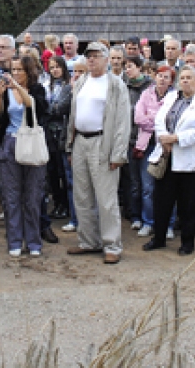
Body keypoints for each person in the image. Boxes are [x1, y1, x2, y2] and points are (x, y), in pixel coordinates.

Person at [66, 42, 132, 264]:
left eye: (96, 55)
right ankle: (88, 241)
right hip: (80, 141)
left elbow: (123, 121)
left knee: (106, 198)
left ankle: (112, 245)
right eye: (89, 56)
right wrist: (70, 145)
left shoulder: (115, 85)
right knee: (82, 196)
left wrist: (118, 153)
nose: (92, 59)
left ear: (106, 59)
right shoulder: (81, 81)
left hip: (103, 143)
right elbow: (73, 116)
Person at [142, 66, 195, 256]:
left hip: (190, 160)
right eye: (182, 78)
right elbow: (159, 119)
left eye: (189, 78)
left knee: (189, 204)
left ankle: (187, 242)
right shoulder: (171, 97)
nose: (185, 81)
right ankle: (159, 238)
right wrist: (164, 138)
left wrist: (175, 139)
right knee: (162, 200)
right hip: (167, 156)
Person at [0, 55, 48, 257]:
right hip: (9, 143)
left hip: (31, 143)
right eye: (13, 70)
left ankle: (33, 242)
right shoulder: (7, 91)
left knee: (33, 196)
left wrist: (17, 87)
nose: (15, 74)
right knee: (11, 196)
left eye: (19, 70)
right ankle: (14, 241)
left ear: (28, 71)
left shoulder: (37, 90)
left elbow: (36, 108)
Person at [134, 65, 176, 240]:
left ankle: (168, 225)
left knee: (168, 189)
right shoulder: (146, 94)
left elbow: (172, 122)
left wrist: (151, 117)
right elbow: (138, 118)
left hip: (166, 147)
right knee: (147, 188)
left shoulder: (176, 97)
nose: (162, 79)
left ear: (171, 81)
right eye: (160, 76)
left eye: (166, 77)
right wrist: (158, 120)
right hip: (147, 146)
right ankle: (148, 222)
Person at [123, 55, 153, 230]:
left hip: (147, 140)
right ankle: (135, 216)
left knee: (147, 184)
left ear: (139, 67)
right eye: (126, 67)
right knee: (134, 183)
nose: (127, 70)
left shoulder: (150, 87)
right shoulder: (123, 87)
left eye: (131, 66)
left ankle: (149, 219)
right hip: (129, 140)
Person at [45, 56, 74, 222]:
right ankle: (57, 204)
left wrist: (50, 108)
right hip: (49, 133)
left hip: (63, 132)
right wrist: (51, 108)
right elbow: (45, 107)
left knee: (64, 172)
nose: (55, 70)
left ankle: (67, 205)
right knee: (53, 171)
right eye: (52, 67)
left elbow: (61, 108)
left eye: (57, 67)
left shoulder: (68, 86)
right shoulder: (47, 86)